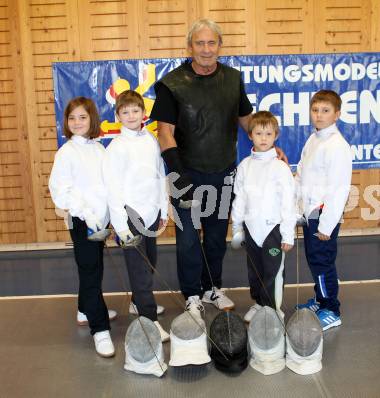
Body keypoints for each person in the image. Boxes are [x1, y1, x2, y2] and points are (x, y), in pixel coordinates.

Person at [150, 18, 254, 315]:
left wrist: (270, 146)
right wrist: (177, 172)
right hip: (185, 174)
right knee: (186, 241)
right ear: (190, 47)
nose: (206, 49)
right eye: (200, 43)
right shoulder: (172, 83)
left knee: (216, 238)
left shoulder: (233, 79)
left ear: (220, 46)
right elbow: (165, 131)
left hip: (221, 173)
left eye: (211, 43)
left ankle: (212, 288)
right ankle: (192, 294)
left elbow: (246, 119)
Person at [49, 97, 116, 357]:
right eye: (72, 118)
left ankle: (85, 309)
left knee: (94, 267)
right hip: (82, 222)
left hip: (99, 221)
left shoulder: (98, 150)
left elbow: (106, 186)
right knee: (90, 271)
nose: (77, 122)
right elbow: (61, 192)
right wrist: (87, 215)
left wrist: (107, 216)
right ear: (66, 122)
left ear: (92, 120)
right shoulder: (66, 153)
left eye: (83, 117)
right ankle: (99, 329)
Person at [102, 90, 169, 342]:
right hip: (130, 218)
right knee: (139, 271)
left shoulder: (150, 139)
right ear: (118, 115)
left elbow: (159, 175)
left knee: (149, 262)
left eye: (135, 111)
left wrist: (163, 208)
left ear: (143, 113)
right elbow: (113, 188)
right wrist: (121, 227)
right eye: (125, 112)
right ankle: (149, 320)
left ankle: (137, 303)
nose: (131, 116)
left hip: (151, 213)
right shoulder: (116, 148)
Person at [295, 89, 352, 331]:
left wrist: (326, 225)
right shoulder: (313, 139)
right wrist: (297, 207)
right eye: (315, 110)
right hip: (310, 212)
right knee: (314, 259)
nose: (319, 115)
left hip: (323, 214)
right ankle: (320, 299)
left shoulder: (337, 145)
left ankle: (332, 309)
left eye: (325, 111)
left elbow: (339, 190)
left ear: (337, 114)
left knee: (322, 262)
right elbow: (301, 175)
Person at [231, 111, 296, 323]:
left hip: (273, 230)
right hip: (251, 229)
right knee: (255, 271)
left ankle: (274, 310)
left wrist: (287, 234)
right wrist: (237, 228)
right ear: (250, 135)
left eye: (268, 134)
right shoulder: (244, 166)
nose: (264, 138)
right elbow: (239, 198)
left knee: (273, 272)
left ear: (275, 135)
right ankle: (259, 303)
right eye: (259, 133)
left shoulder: (280, 168)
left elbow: (288, 202)